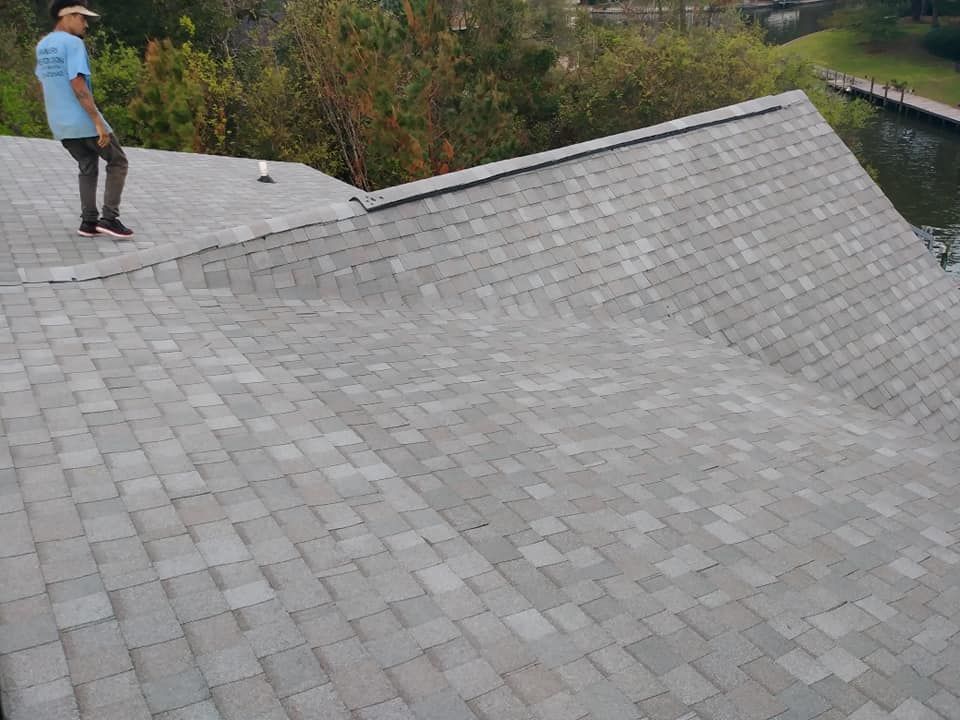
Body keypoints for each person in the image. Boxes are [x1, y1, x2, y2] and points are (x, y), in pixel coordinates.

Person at [36, 1, 134, 238]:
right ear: (68, 16)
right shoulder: (73, 44)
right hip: (83, 120)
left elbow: (46, 81)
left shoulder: (43, 45)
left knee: (87, 166)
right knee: (118, 161)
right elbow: (78, 85)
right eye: (82, 18)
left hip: (60, 124)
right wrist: (98, 121)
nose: (86, 24)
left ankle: (88, 222)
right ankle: (109, 219)